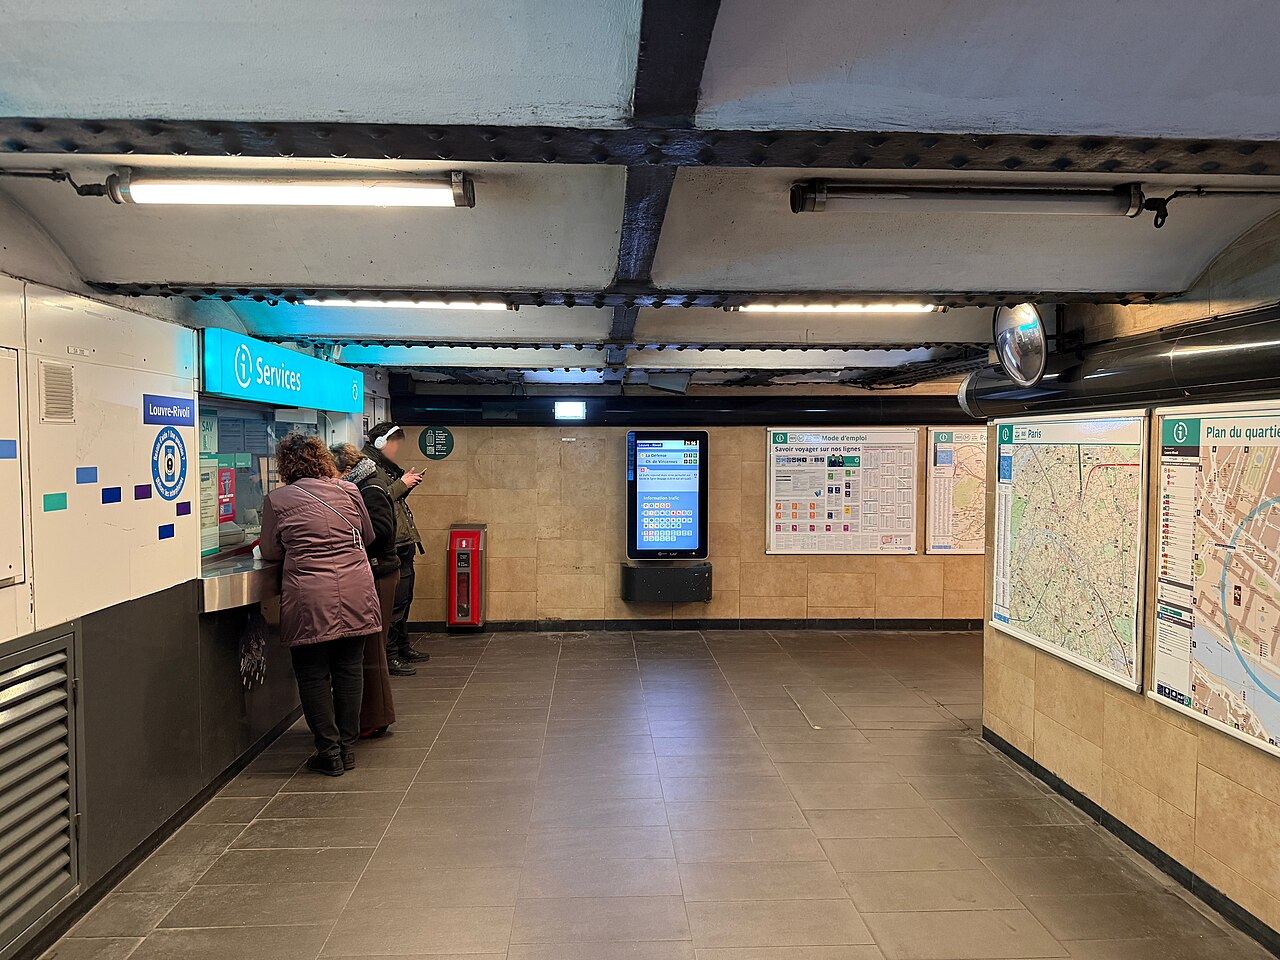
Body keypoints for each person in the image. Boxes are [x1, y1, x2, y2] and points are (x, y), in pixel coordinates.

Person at [260, 434, 381, 777]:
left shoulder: (278, 500)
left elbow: (270, 551)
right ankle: (346, 746)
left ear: (285, 465)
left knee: (313, 674)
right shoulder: (349, 491)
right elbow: (368, 536)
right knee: (349, 670)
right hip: (357, 591)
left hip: (309, 596)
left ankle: (328, 751)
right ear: (323, 460)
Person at [330, 442, 398, 738]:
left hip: (380, 572)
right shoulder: (364, 485)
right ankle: (371, 716)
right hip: (377, 572)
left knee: (372, 650)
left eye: (331, 472)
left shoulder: (369, 489)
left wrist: (346, 537)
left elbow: (382, 530)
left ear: (346, 469)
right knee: (371, 649)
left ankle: (374, 718)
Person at [362, 423, 428, 676]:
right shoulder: (368, 468)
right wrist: (402, 484)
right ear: (380, 443)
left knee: (404, 598)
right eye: (394, 443)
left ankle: (402, 646)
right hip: (390, 544)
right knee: (393, 603)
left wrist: (405, 484)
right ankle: (389, 656)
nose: (396, 449)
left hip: (403, 540)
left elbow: (393, 498)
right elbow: (374, 500)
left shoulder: (385, 468)